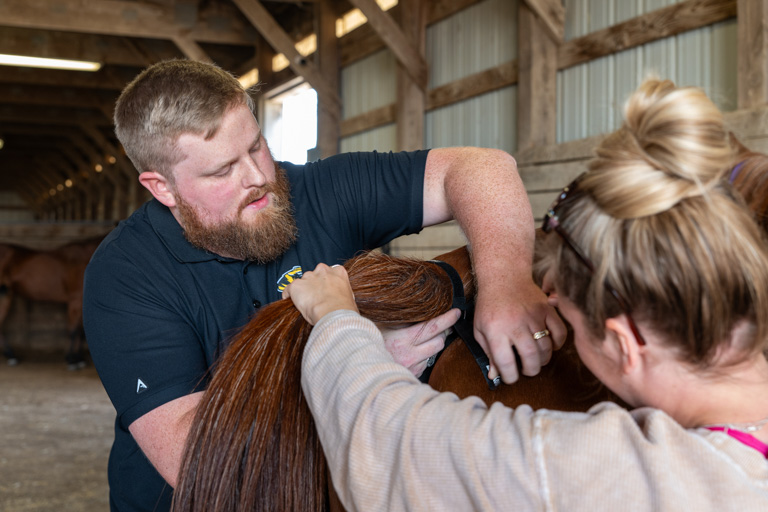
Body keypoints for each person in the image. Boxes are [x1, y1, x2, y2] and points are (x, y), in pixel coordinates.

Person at [82, 59, 564, 511]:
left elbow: (481, 167)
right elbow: (196, 457)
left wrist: (507, 281)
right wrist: (357, 364)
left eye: (256, 146)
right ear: (161, 187)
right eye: (222, 170)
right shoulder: (127, 274)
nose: (258, 178)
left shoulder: (318, 190)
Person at [287, 78, 768, 511]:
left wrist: (335, 316)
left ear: (626, 342)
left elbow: (390, 447)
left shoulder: (612, 476)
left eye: (570, 323)